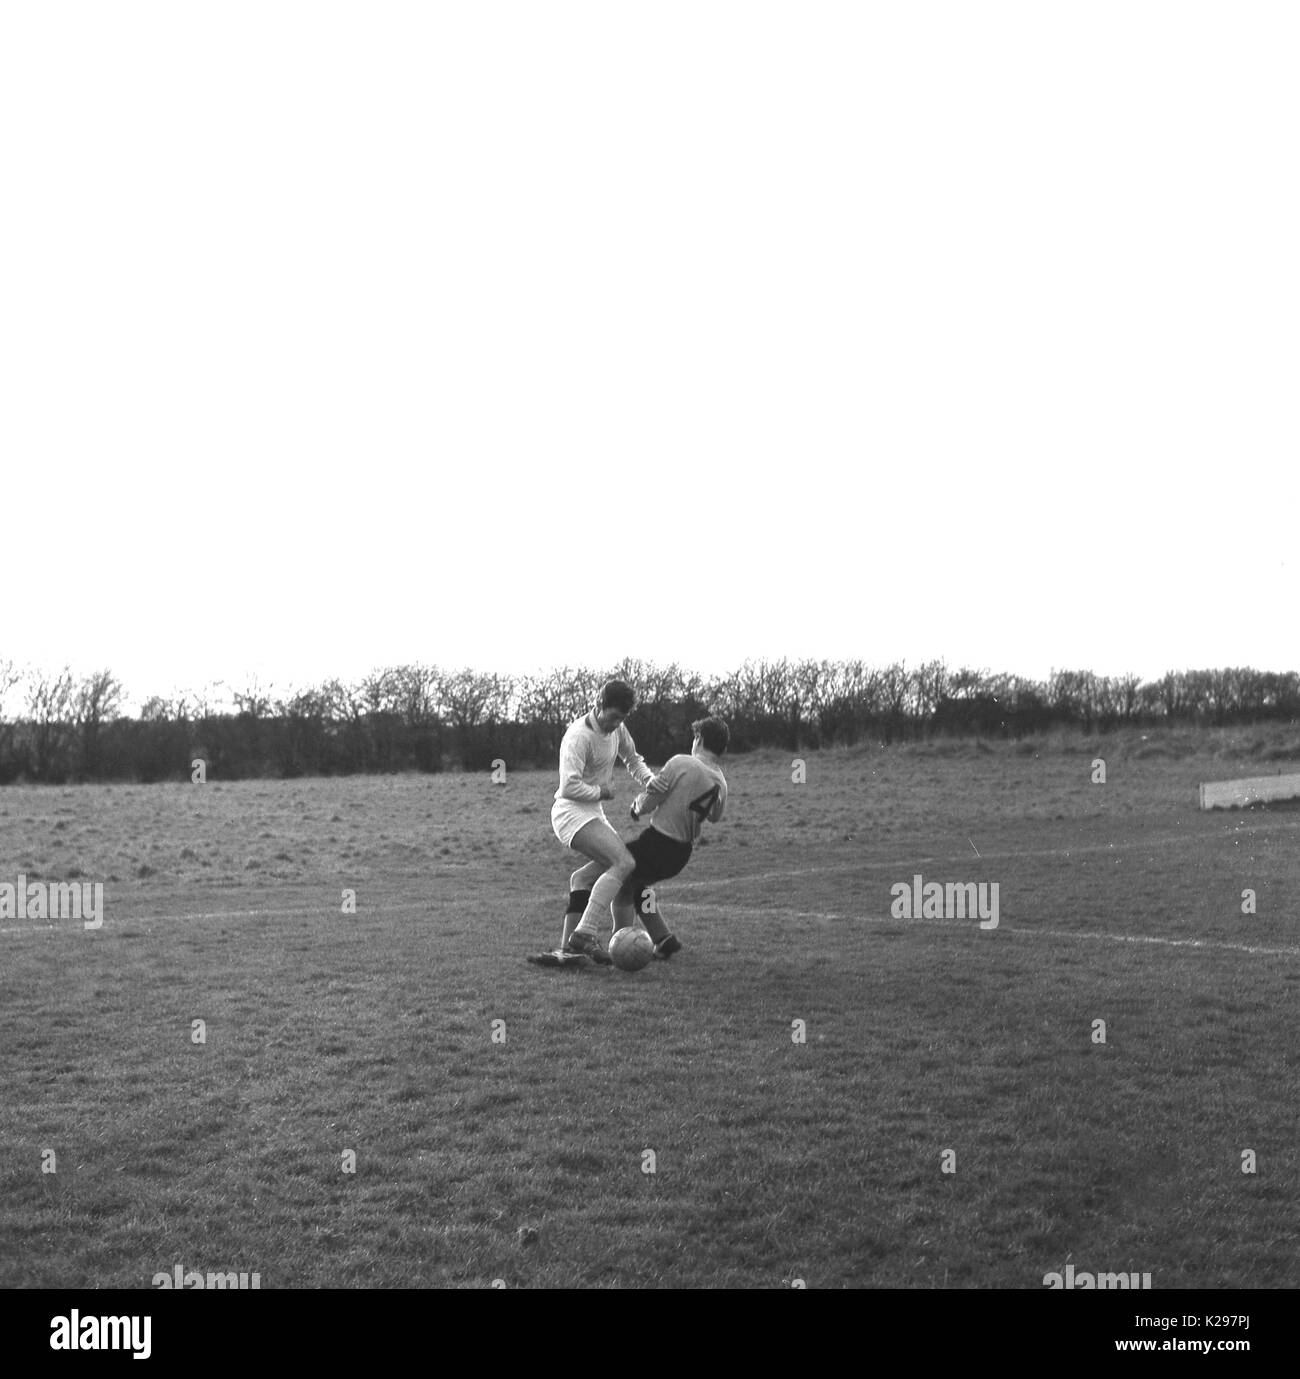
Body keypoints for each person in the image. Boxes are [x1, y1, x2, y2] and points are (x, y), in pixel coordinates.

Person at [527, 679, 660, 968]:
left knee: (586, 877)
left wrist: (651, 782)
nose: (616, 724)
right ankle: (585, 933)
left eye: (622, 718)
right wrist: (602, 791)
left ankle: (567, 951)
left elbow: (633, 759)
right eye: (613, 717)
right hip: (570, 812)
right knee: (624, 863)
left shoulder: (618, 729)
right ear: (598, 704)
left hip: (593, 811)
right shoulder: (578, 737)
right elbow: (568, 786)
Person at [603, 716, 729, 958]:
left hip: (658, 842)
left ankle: (620, 947)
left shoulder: (682, 762)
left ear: (699, 739)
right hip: (682, 852)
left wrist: (637, 806)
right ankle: (664, 938)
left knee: (621, 881)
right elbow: (715, 816)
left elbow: (653, 795)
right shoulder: (721, 781)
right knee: (640, 885)